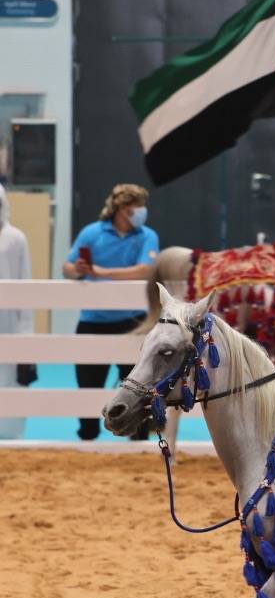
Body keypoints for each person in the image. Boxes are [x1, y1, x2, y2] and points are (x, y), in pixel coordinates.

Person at [62, 183, 159, 441]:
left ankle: (138, 441)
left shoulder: (147, 235)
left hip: (134, 323)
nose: (141, 211)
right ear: (121, 209)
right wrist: (80, 270)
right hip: (93, 321)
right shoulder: (91, 233)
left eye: (142, 206)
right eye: (135, 207)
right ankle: (87, 438)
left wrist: (100, 273)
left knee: (138, 388)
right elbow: (67, 268)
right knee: (88, 386)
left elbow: (145, 270)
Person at [0, 184, 34, 439]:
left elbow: (25, 284)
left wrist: (26, 337)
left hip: (10, 323)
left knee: (10, 380)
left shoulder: (15, 238)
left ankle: (9, 435)